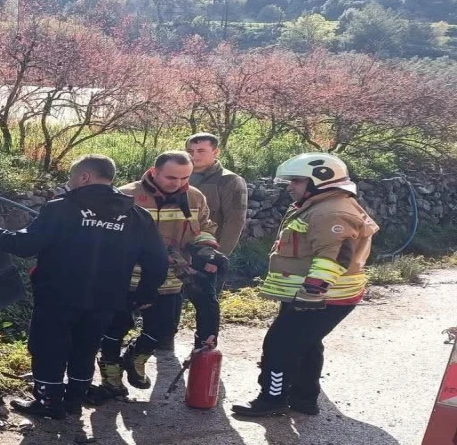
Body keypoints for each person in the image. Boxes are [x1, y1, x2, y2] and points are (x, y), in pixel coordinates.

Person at [0, 154, 167, 419]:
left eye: (72, 178)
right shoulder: (137, 215)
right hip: (106, 299)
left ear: (84, 177)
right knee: (86, 347)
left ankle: (49, 403)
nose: (70, 183)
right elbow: (157, 260)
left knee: (49, 347)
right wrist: (145, 293)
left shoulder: (61, 208)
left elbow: (24, 245)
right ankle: (74, 400)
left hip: (58, 294)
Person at [231, 153, 378, 417]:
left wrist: (312, 292)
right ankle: (304, 399)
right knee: (307, 344)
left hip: (321, 296)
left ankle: (272, 399)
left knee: (279, 345)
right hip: (319, 295)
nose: (290, 187)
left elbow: (334, 256)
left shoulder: (330, 212)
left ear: (319, 181)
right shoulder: (322, 205)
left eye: (297, 181)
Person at [94, 150, 226, 401]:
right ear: (154, 172)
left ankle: (136, 356)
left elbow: (204, 226)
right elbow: (105, 237)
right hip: (127, 279)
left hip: (171, 278)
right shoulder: (126, 195)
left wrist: (206, 248)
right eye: (171, 177)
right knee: (114, 328)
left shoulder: (195, 197)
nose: (178, 183)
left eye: (185, 177)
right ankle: (111, 378)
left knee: (164, 326)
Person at [144, 132, 248, 351]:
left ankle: (204, 348)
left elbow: (234, 222)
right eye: (190, 151)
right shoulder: (179, 174)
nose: (195, 155)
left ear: (215, 152)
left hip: (204, 251)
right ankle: (165, 343)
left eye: (201, 151)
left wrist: (217, 256)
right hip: (174, 253)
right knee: (171, 298)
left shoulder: (229, 180)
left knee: (205, 302)